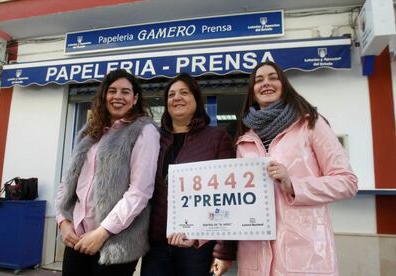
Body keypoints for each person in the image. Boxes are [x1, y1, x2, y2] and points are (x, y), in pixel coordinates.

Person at [235, 61, 358, 275]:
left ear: (284, 85)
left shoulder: (311, 124)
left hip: (305, 256)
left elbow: (347, 182)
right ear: (252, 92)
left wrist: (295, 185)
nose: (266, 83)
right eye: (258, 80)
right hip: (254, 258)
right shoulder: (244, 138)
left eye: (273, 77)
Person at [55, 69, 160, 276]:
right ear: (104, 96)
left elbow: (139, 191)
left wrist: (102, 232)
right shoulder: (88, 131)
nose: (118, 97)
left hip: (115, 242)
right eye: (112, 91)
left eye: (125, 92)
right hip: (76, 237)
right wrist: (63, 222)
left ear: (135, 98)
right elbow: (68, 181)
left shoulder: (144, 131)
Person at [141, 73, 237, 276]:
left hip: (197, 247)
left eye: (184, 92)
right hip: (157, 245)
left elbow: (229, 196)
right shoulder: (154, 138)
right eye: (171, 94)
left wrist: (224, 251)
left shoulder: (217, 137)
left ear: (197, 100)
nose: (177, 98)